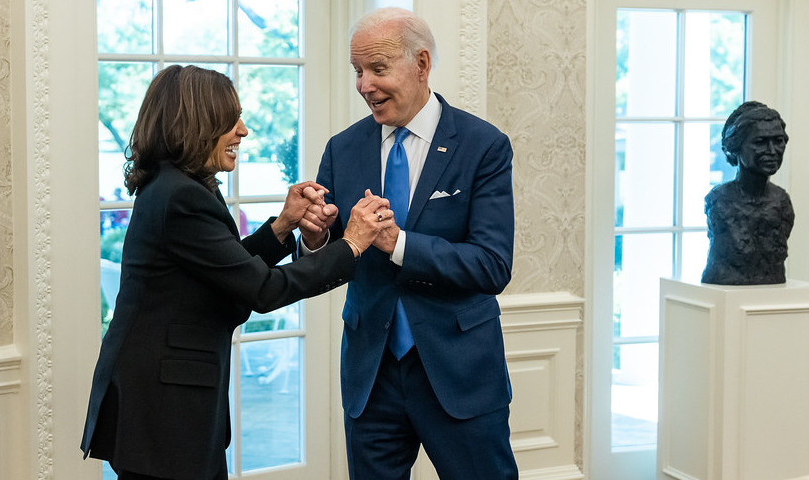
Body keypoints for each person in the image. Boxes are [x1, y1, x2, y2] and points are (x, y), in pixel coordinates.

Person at [80, 65, 392, 480]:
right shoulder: (181, 197)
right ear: (197, 121)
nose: (242, 131)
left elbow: (223, 269)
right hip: (160, 411)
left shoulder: (177, 186)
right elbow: (262, 290)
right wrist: (351, 244)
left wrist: (283, 225)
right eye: (231, 119)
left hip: (160, 405)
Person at [300, 8, 518, 479]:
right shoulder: (343, 148)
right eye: (358, 71)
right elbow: (330, 252)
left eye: (378, 69)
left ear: (421, 64)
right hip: (371, 377)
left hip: (458, 374)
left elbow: (493, 265)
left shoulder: (483, 146)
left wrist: (399, 243)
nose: (364, 85)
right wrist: (314, 237)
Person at [701, 101, 794, 285]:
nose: (772, 151)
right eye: (760, 142)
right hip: (726, 291)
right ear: (736, 146)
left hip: (770, 297)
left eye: (778, 141)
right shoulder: (719, 201)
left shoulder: (782, 202)